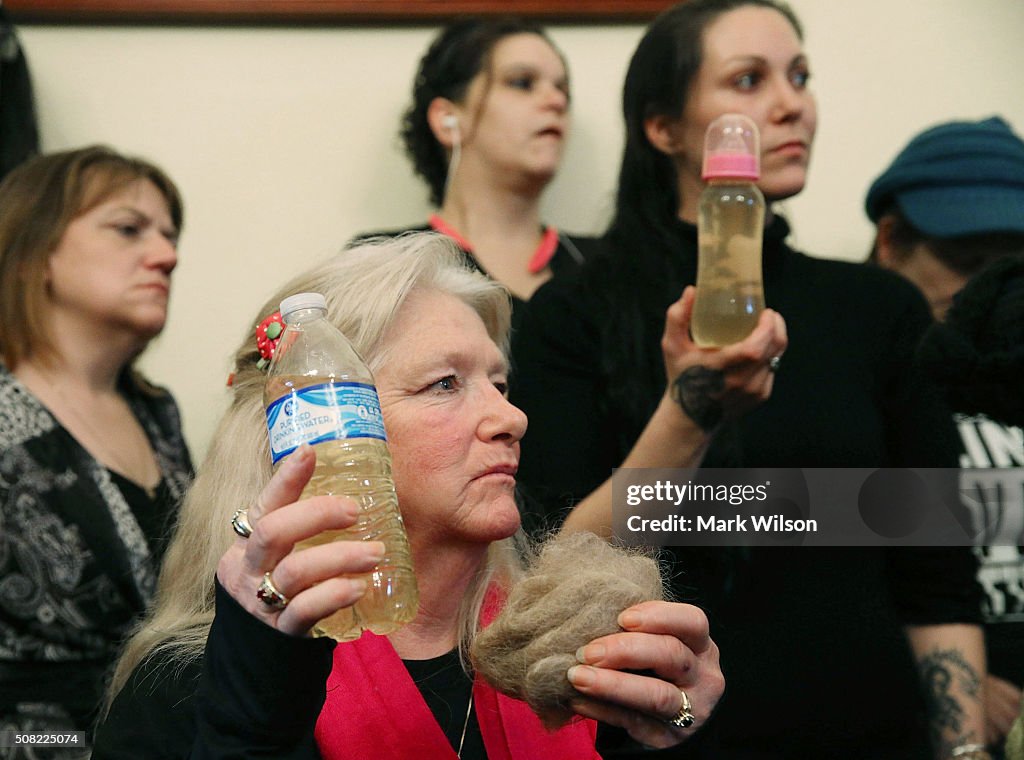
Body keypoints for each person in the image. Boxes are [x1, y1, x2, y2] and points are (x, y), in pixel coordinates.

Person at [509, 1, 986, 758]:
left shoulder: (877, 308)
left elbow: (934, 575)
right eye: (748, 79)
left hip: (870, 733)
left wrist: (966, 751)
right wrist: (688, 413)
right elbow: (548, 575)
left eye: (800, 75)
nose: (792, 102)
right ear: (663, 127)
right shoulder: (572, 316)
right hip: (659, 739)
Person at [92, 234, 725, 759]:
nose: (511, 417)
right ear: (316, 433)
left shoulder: (560, 650)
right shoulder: (188, 690)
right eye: (444, 384)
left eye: (500, 382)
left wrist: (676, 724)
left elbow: (664, 725)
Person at [0, 146, 193, 750]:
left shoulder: (157, 414)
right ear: (36, 251)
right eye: (128, 229)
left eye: (169, 234)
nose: (166, 255)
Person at [866, 116, 1024, 759]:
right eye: (965, 258)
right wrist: (958, 681)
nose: (989, 286)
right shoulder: (853, 364)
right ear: (891, 238)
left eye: (1011, 263)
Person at [361, 17, 598, 328]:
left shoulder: (608, 263)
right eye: (522, 82)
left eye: (562, 89)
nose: (556, 101)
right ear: (448, 119)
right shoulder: (387, 264)